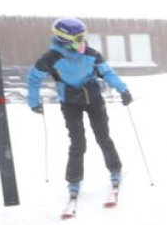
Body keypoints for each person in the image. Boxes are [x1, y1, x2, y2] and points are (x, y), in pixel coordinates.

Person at [26, 17, 133, 198]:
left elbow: (107, 72)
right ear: (63, 38)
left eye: (83, 37)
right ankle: (73, 180)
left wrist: (123, 90)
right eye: (77, 38)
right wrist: (34, 101)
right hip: (70, 103)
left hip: (94, 100)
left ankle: (115, 170)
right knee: (77, 143)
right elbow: (34, 78)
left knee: (103, 137)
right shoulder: (51, 58)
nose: (82, 42)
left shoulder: (91, 54)